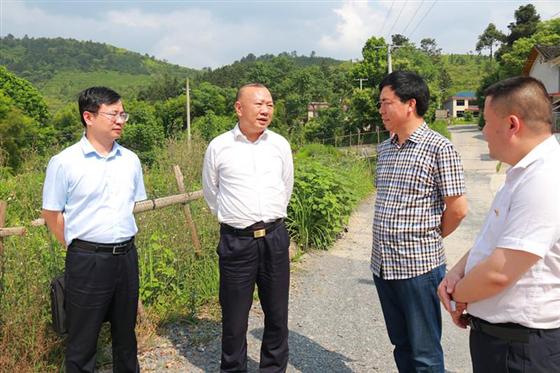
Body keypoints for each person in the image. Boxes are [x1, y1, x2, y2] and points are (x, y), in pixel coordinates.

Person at [438, 76, 560, 373]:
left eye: (486, 121)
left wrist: (458, 296)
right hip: (505, 341)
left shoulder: (543, 180)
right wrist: (457, 273)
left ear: (512, 125)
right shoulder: (522, 174)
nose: (482, 130)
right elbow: (495, 240)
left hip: (521, 349)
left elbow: (499, 273)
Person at [42, 87, 146, 373]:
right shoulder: (64, 162)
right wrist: (78, 246)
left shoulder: (131, 160)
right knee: (83, 340)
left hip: (126, 256)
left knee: (126, 336)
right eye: (113, 114)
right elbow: (51, 213)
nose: (120, 120)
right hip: (87, 260)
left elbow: (130, 205)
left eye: (123, 114)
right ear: (88, 117)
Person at [371, 71, 468, 372]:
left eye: (386, 103)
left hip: (418, 267)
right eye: (380, 103)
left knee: (425, 351)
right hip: (383, 265)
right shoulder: (385, 148)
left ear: (409, 104)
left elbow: (458, 208)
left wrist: (430, 235)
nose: (381, 110)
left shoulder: (439, 148)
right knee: (401, 345)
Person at [202, 83, 294, 372]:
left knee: (277, 314)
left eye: (269, 104)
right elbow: (211, 192)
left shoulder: (280, 145)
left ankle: (273, 368)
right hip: (236, 241)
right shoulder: (219, 146)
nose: (265, 110)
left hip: (274, 238)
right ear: (239, 108)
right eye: (258, 104)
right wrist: (234, 218)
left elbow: (285, 186)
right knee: (234, 317)